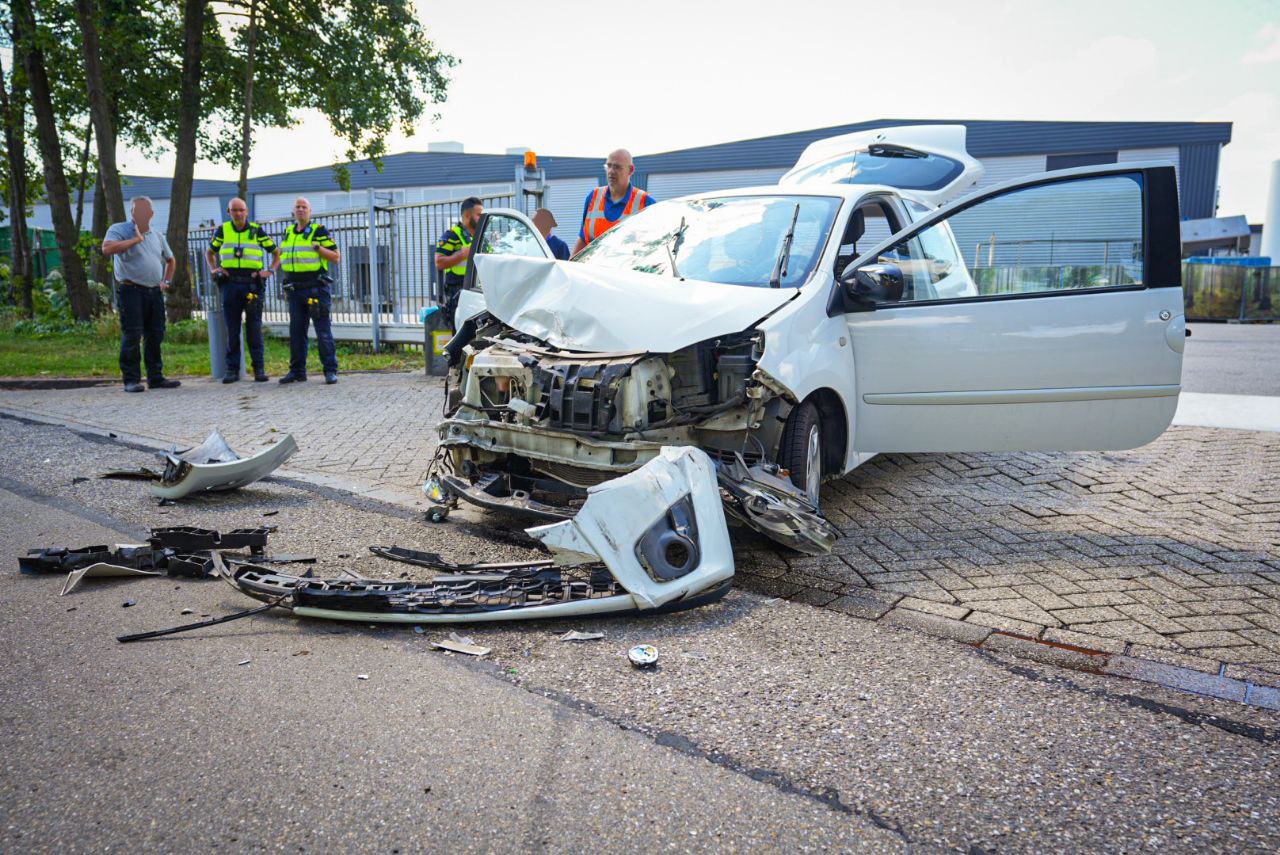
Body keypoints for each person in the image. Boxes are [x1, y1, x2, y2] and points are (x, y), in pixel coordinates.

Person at [101, 196, 180, 393]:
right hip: (131, 291)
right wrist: (136, 240)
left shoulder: (157, 235)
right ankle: (131, 380)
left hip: (154, 292)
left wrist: (166, 281)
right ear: (132, 212)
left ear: (152, 214)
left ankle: (156, 378)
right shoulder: (119, 229)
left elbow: (170, 260)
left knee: (156, 334)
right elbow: (107, 249)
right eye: (138, 210)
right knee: (133, 334)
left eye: (146, 211)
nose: (142, 214)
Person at [205, 198, 278, 383]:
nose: (238, 213)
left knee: (254, 328)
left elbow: (276, 253)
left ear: (247, 211)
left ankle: (259, 369)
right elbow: (209, 253)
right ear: (228, 212)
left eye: (241, 210)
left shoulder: (256, 230)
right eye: (234, 210)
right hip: (230, 284)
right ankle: (232, 370)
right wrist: (214, 269)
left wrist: (270, 270)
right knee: (232, 329)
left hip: (252, 284)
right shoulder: (223, 230)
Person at [277, 197, 341, 384]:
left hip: (316, 288)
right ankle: (297, 371)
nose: (301, 210)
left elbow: (336, 257)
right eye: (298, 207)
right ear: (293, 211)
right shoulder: (288, 232)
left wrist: (318, 248)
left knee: (323, 331)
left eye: (304, 207)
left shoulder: (319, 230)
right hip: (295, 289)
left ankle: (330, 370)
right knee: (296, 332)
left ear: (310, 211)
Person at [572, 149, 654, 254]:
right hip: (591, 265)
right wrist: (568, 263)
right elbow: (583, 239)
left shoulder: (646, 203)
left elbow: (653, 248)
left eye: (617, 167)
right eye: (608, 166)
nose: (611, 171)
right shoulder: (593, 197)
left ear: (630, 170)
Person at [434, 196, 482, 329]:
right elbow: (439, 262)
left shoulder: (479, 236)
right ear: (467, 215)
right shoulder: (452, 235)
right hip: (458, 293)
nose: (481, 218)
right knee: (461, 333)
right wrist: (462, 255)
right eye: (479, 215)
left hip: (478, 292)